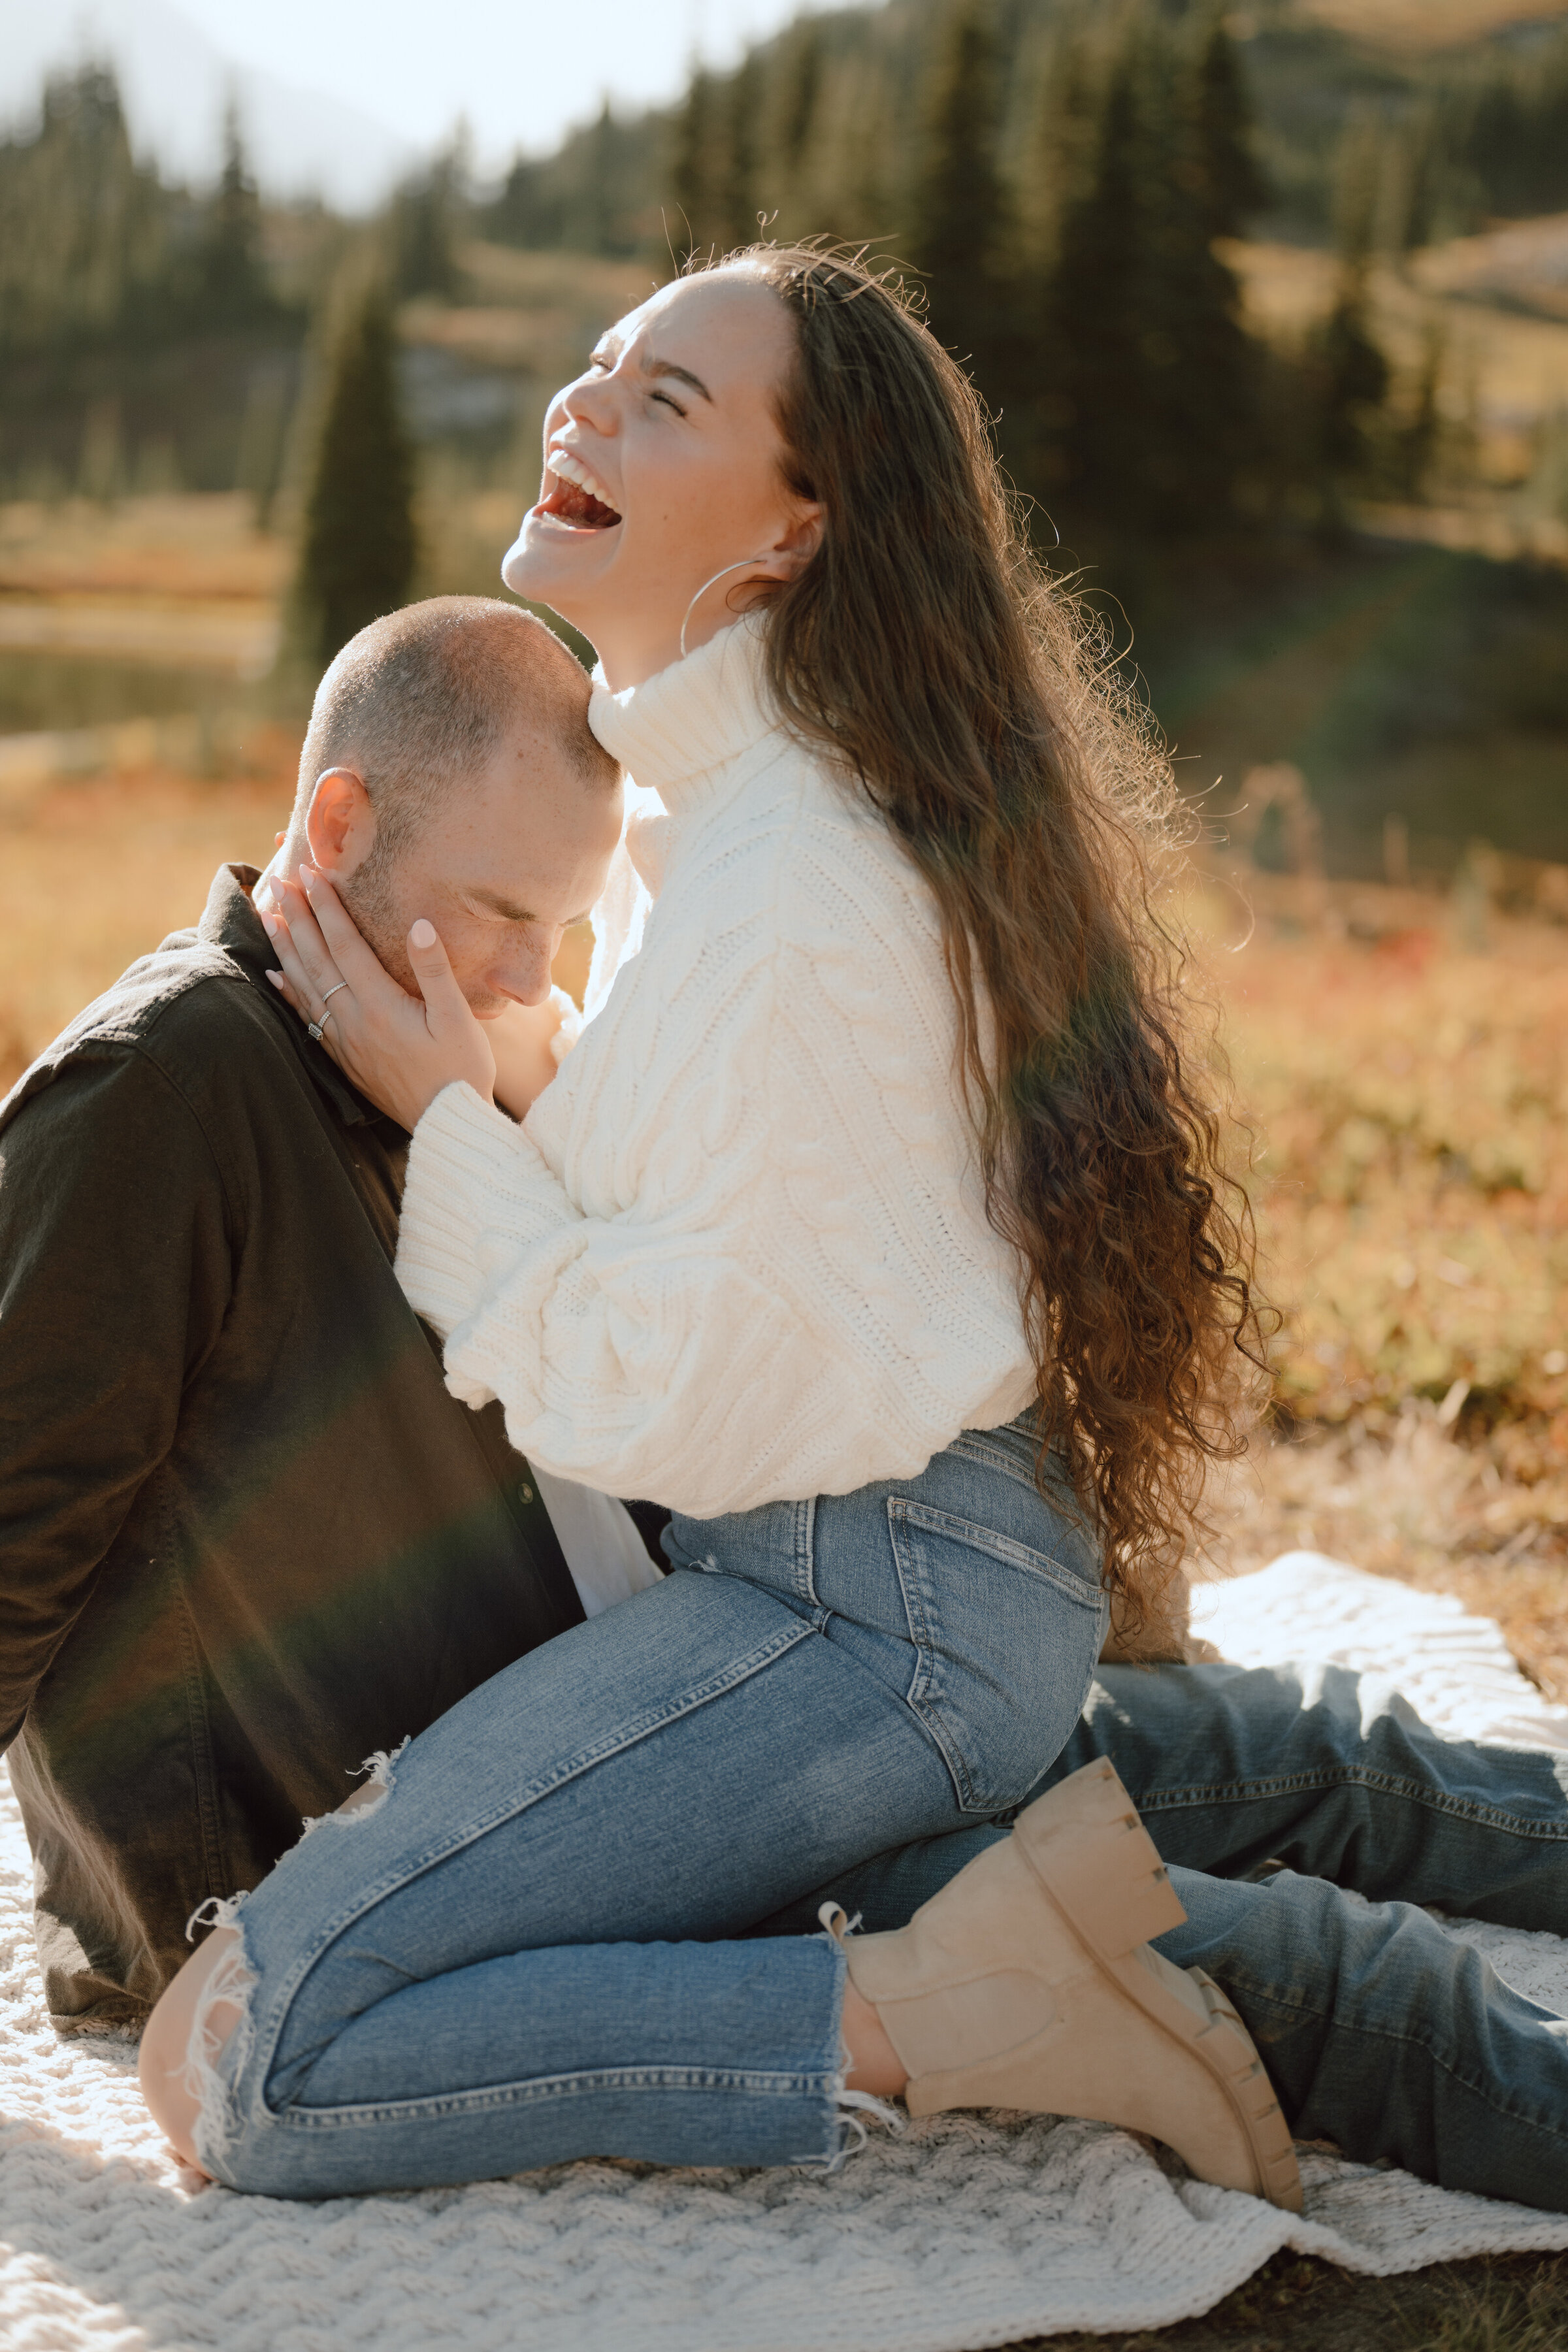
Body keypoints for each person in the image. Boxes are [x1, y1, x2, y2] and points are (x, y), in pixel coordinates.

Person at [138, 248, 1568, 2217]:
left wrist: (452, 1125)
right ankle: (1118, 1964)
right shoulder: (722, 818)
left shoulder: (789, 879)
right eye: (598, 366)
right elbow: (743, 1224)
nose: (585, 407)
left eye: (669, 403)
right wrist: (527, 1091)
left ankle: (940, 2019)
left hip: (849, 1610)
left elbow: (679, 1397)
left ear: (797, 529)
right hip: (905, 1583)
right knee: (1206, 1807)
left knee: (259, 2062)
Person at [0, 595, 648, 2027]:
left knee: (1110, 1766)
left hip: (581, 1773)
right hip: (311, 1891)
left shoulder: (437, 1055)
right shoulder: (161, 1089)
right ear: (342, 822)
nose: (538, 976)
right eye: (504, 914)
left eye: (569, 927)